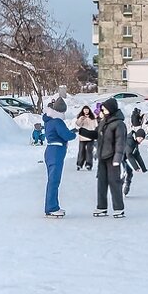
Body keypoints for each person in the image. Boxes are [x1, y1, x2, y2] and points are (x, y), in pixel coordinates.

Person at [41, 90, 76, 218]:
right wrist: (73, 133)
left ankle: (51, 206)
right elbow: (66, 135)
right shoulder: (58, 121)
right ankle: (52, 207)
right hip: (56, 152)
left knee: (52, 180)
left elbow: (59, 134)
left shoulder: (49, 121)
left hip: (50, 151)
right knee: (54, 181)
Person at [94, 97, 127, 218]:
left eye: (105, 109)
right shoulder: (104, 122)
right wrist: (82, 131)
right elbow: (97, 134)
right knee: (101, 183)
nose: (103, 111)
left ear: (111, 109)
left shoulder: (119, 124)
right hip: (102, 156)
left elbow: (120, 142)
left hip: (112, 157)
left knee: (114, 183)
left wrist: (117, 158)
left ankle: (118, 208)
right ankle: (101, 207)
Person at [122, 128, 147, 195]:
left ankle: (126, 186)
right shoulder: (129, 141)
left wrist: (143, 168)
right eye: (140, 138)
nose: (141, 141)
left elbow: (137, 155)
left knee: (129, 172)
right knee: (124, 172)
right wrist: (136, 168)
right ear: (136, 136)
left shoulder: (135, 142)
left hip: (123, 158)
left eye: (142, 139)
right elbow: (129, 155)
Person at [74, 105, 97, 171]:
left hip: (90, 136)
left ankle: (88, 164)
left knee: (89, 151)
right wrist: (81, 119)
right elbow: (77, 124)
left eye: (87, 110)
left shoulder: (92, 118)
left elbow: (96, 126)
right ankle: (79, 164)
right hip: (83, 136)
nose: (86, 111)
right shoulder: (81, 117)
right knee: (81, 151)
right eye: (85, 110)